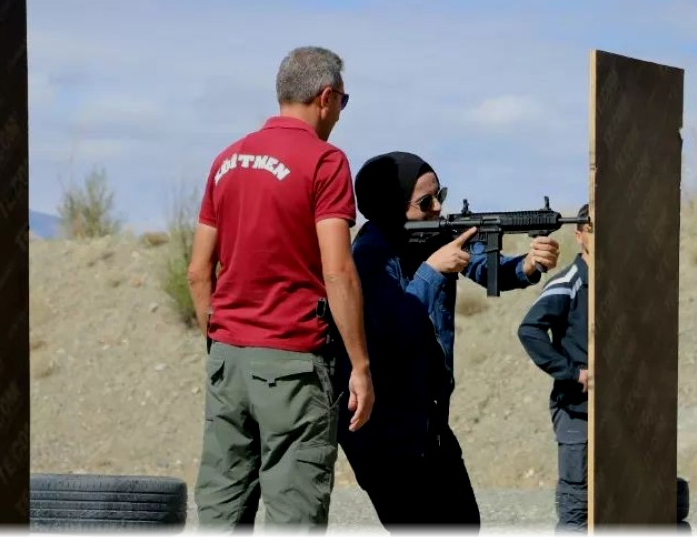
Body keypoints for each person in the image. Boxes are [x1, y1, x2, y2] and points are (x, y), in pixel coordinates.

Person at [187, 46, 375, 531]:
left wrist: (220, 339)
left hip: (228, 360)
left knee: (221, 512)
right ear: (326, 97)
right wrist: (360, 364)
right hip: (292, 363)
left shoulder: (227, 159)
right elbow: (338, 272)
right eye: (343, 102)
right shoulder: (326, 161)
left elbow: (197, 270)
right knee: (295, 517)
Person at [336, 151, 560, 532]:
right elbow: (392, 328)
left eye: (441, 194)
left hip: (429, 421)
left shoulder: (433, 235)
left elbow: (484, 265)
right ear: (393, 206)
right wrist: (430, 271)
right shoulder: (368, 258)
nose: (439, 207)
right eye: (426, 202)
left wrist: (528, 264)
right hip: (384, 432)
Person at [517, 203, 591, 532]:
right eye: (594, 228)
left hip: (614, 414)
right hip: (575, 409)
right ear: (579, 236)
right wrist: (573, 373)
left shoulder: (622, 285)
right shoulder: (570, 281)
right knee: (576, 503)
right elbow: (530, 329)